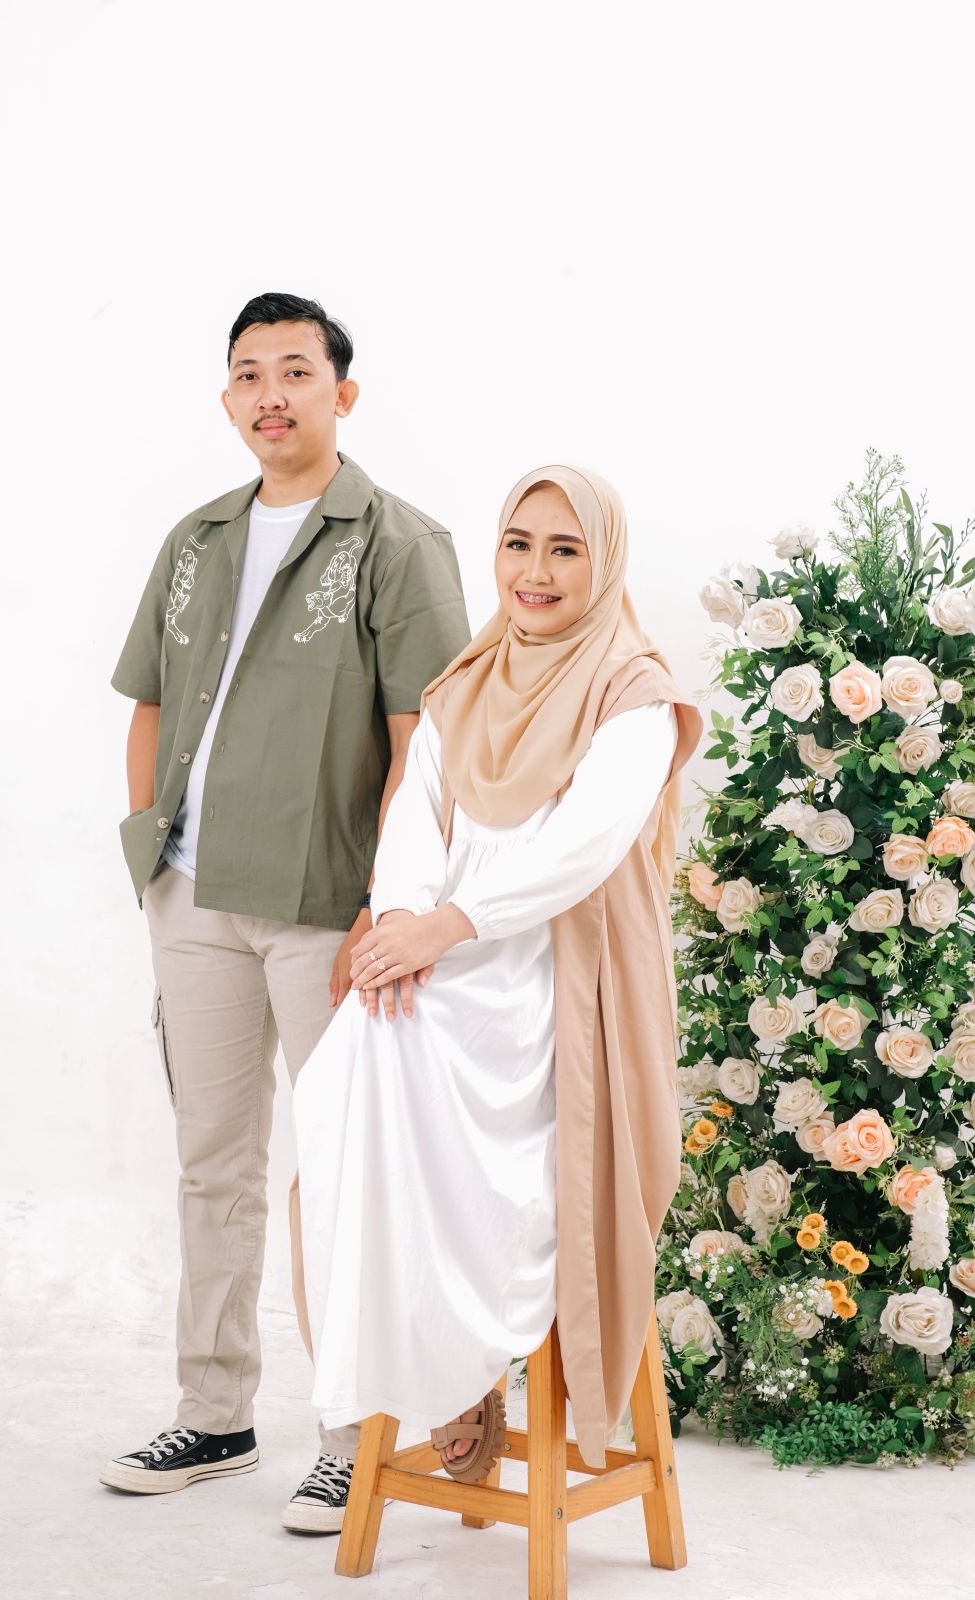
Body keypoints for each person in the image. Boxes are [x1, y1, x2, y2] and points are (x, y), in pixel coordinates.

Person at [101, 293, 470, 1533]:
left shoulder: (398, 542)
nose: (272, 393)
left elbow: (425, 743)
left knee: (346, 1174)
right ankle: (214, 1413)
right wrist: (149, 844)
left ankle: (353, 1437)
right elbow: (150, 701)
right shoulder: (196, 538)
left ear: (341, 393)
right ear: (227, 398)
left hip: (326, 908)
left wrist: (386, 905)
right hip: (192, 896)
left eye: (297, 371)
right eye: (249, 373)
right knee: (212, 1161)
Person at [290, 465, 703, 1494]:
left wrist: (441, 926)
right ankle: (441, 1362)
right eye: (518, 543)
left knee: (404, 1060)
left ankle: (465, 1350)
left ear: (604, 563)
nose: (535, 571)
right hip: (444, 956)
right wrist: (396, 921)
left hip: (558, 978)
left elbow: (580, 848)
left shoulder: (634, 695)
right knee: (353, 1063)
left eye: (565, 549)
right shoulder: (467, 683)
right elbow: (414, 816)